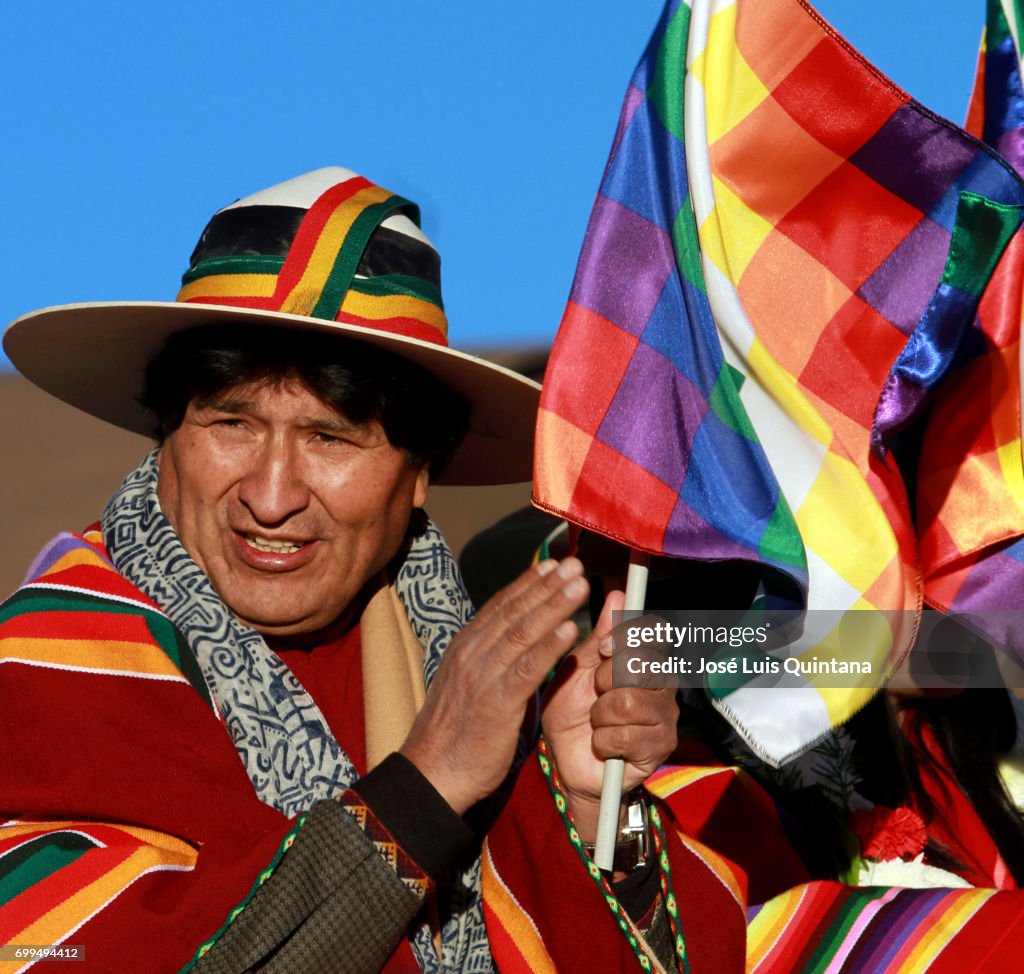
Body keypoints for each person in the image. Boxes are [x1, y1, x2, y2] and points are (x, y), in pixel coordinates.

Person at [0, 168, 747, 973]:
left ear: (421, 471)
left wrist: (596, 809)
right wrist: (424, 789)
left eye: (331, 438)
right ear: (166, 433)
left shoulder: (488, 684)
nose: (271, 496)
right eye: (231, 424)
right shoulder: (51, 670)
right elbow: (57, 951)